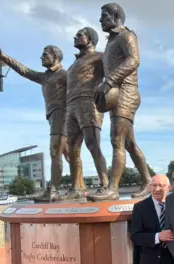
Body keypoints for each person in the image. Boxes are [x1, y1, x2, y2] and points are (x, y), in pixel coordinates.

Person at [0, 39, 69, 202]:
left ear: (55, 56)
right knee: (68, 154)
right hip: (52, 116)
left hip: (63, 114)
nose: (41, 57)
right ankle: (78, 187)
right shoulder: (44, 77)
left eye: (45, 55)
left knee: (54, 151)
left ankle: (53, 190)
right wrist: (2, 56)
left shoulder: (65, 75)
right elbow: (23, 70)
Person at [89, 2, 153, 201]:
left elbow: (134, 60)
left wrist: (109, 81)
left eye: (104, 16)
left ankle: (113, 189)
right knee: (129, 143)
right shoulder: (110, 42)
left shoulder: (127, 35)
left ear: (115, 17)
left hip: (126, 93)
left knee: (117, 140)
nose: (100, 20)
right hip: (116, 94)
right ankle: (148, 181)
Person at [59, 27, 108, 201]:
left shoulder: (100, 57)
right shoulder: (73, 65)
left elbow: (114, 74)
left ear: (90, 39)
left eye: (79, 35)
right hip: (71, 107)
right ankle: (76, 188)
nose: (75, 37)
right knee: (71, 148)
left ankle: (105, 185)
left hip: (89, 103)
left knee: (92, 144)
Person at [130, 174, 174, 264]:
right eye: (154, 185)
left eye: (161, 185)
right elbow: (135, 237)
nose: (157, 189)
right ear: (150, 187)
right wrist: (158, 237)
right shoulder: (140, 207)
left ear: (169, 188)